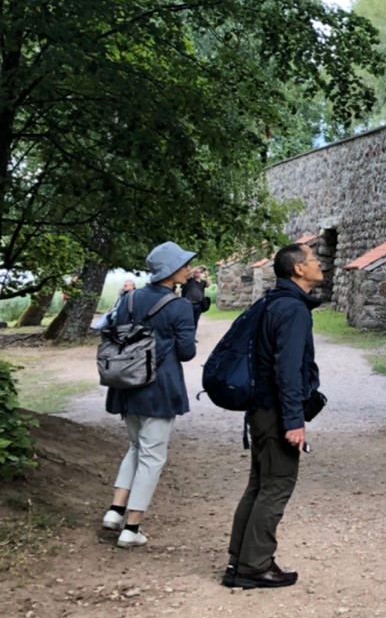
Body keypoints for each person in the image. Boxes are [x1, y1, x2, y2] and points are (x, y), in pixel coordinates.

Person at [224, 242, 324, 590]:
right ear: (299, 269)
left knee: (260, 485)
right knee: (277, 486)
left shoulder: (273, 301)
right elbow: (288, 370)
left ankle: (240, 561)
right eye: (313, 259)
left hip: (261, 408)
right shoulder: (293, 309)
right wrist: (294, 421)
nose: (319, 263)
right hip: (276, 411)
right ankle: (254, 567)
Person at [102, 242, 204, 549]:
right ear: (170, 271)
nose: (189, 269)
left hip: (126, 384)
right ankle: (132, 528)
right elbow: (186, 352)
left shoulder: (129, 299)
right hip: (159, 388)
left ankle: (115, 510)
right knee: (152, 456)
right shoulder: (179, 305)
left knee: (135, 447)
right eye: (184, 265)